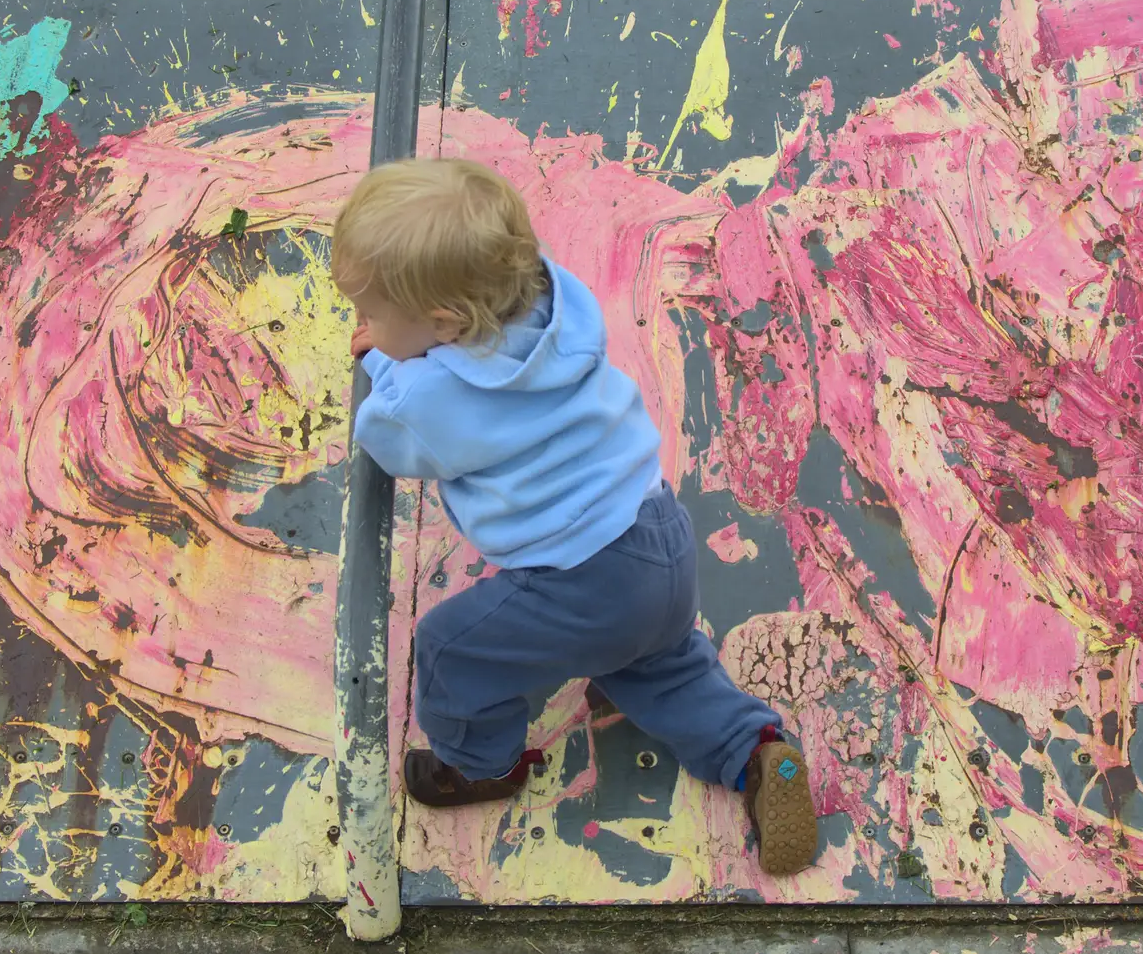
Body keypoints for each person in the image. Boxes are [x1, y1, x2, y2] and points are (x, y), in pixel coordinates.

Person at [331, 157, 818, 874]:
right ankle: (756, 751)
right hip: (657, 536)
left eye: (372, 314)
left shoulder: (426, 396)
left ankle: (482, 762)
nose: (364, 325)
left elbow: (394, 439)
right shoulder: (557, 303)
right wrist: (402, 338)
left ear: (444, 324)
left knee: (448, 650)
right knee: (657, 663)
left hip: (582, 581)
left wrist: (384, 365)